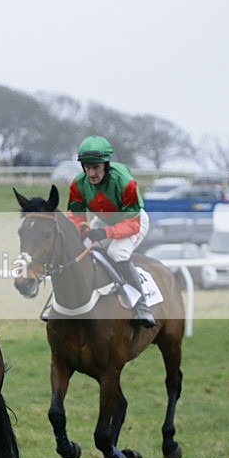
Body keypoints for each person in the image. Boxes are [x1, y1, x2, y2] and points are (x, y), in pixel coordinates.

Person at [66, 135, 155, 328]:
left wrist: (105, 234)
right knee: (80, 249)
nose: (91, 173)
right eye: (87, 167)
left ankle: (142, 306)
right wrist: (82, 228)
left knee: (117, 252)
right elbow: (75, 217)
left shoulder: (125, 182)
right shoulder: (78, 184)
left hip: (133, 220)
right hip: (105, 221)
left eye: (96, 167)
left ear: (106, 165)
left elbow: (132, 223)